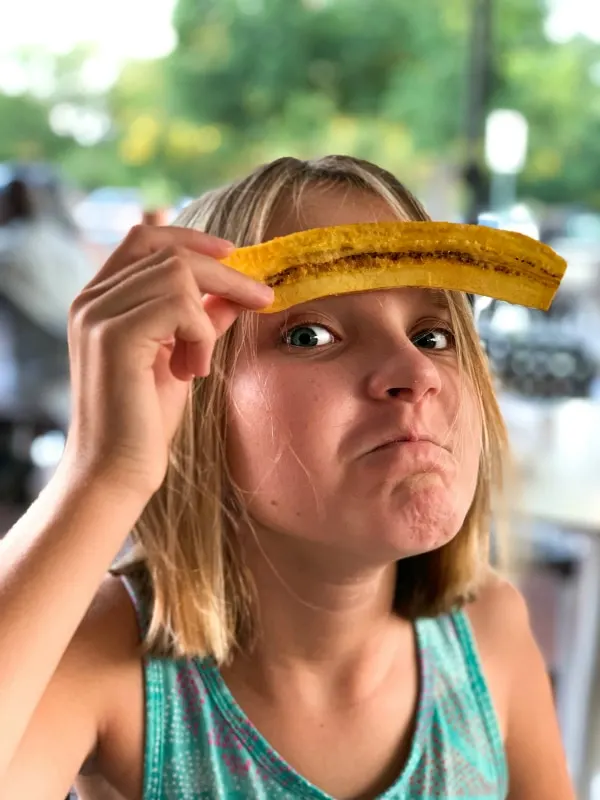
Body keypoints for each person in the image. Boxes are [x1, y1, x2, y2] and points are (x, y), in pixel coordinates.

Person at [0, 155, 574, 799]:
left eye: (434, 335)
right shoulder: (100, 657)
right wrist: (102, 473)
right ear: (191, 404)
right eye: (309, 334)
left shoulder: (490, 632)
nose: (417, 372)